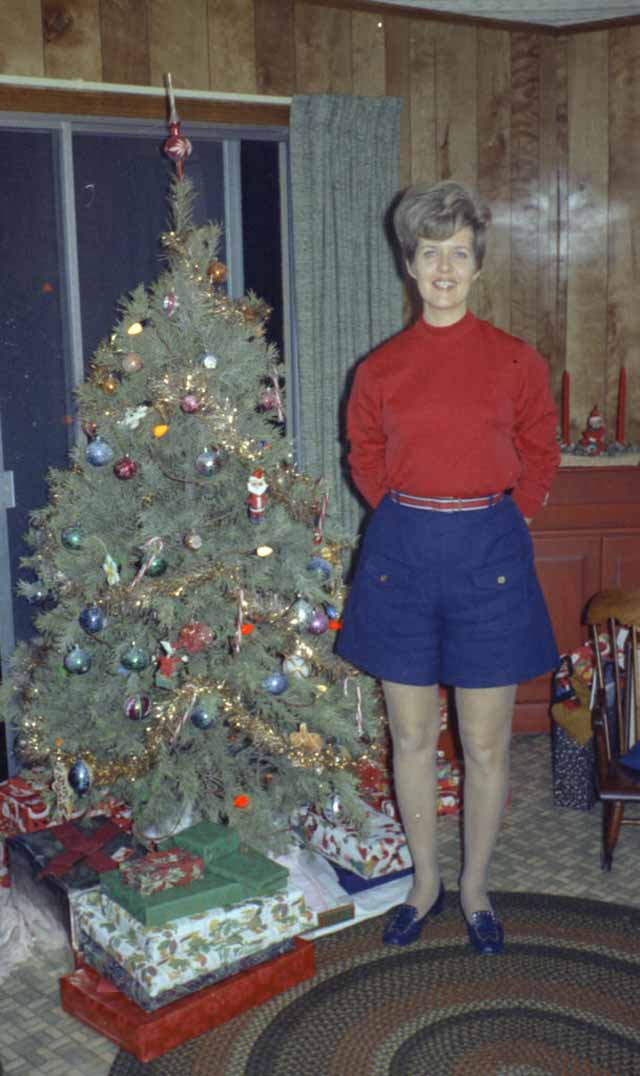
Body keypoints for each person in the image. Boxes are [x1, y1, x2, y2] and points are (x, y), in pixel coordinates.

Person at [336, 181, 560, 955]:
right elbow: (364, 455)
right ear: (409, 263)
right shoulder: (381, 368)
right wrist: (401, 510)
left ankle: (473, 887)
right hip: (401, 556)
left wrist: (508, 513)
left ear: (477, 264)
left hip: (489, 558)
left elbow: (541, 449)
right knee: (410, 736)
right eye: (429, 253)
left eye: (458, 253)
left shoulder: (514, 360)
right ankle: (426, 883)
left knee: (487, 741)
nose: (443, 268)